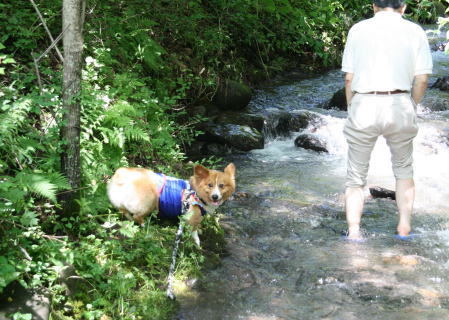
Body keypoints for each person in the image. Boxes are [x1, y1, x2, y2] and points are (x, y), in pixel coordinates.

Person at [341, 0, 433, 240]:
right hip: (400, 103)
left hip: (364, 104)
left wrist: (352, 106)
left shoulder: (358, 30)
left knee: (355, 177)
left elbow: (349, 78)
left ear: (373, 6)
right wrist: (411, 104)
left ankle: (354, 233)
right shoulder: (415, 31)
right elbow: (421, 80)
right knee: (403, 169)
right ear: (403, 7)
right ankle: (403, 226)